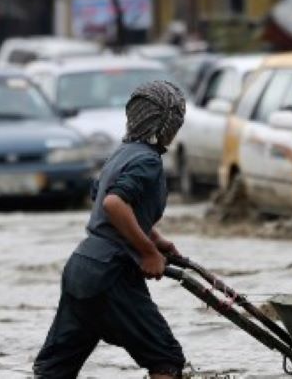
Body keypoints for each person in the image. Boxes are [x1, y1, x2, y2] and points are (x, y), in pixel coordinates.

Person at [34, 81, 187, 379]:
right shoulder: (148, 161)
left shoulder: (123, 153)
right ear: (168, 122)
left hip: (82, 267)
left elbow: (104, 200)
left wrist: (157, 242)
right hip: (111, 272)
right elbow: (115, 205)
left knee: (55, 370)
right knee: (166, 359)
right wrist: (147, 253)